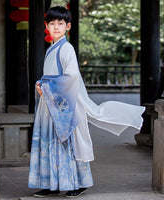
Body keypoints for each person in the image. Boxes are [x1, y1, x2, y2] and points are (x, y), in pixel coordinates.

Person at [28, 6, 145, 198]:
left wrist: (46, 86)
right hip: (50, 104)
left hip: (65, 106)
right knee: (50, 143)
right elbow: (50, 76)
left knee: (68, 144)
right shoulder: (51, 50)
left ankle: (77, 183)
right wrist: (41, 84)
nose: (56, 27)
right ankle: (53, 184)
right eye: (52, 23)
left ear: (68, 26)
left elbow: (71, 77)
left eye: (60, 23)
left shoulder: (66, 48)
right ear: (46, 26)